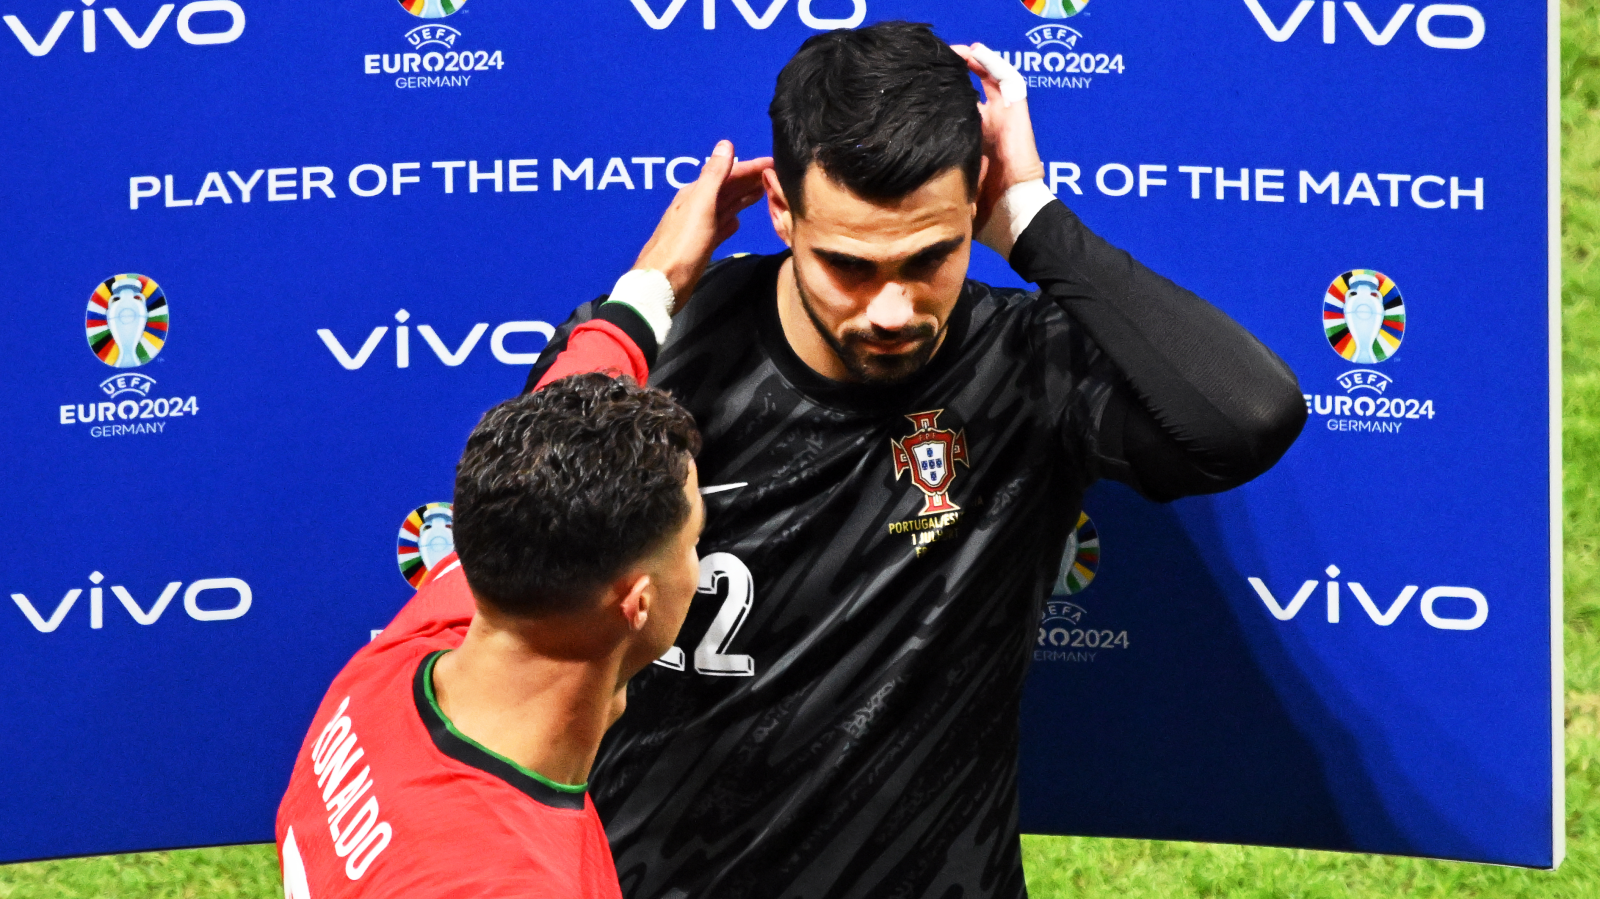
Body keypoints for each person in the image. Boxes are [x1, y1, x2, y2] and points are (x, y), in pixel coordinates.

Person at [526, 22, 1308, 899]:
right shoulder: (660, 350)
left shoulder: (1026, 365)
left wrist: (1033, 221)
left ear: (973, 200)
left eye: (931, 256)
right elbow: (522, 549)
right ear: (782, 209)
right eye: (850, 266)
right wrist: (653, 285)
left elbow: (1247, 416)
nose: (893, 308)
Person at [275, 373, 704, 898]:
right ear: (639, 602)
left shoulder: (397, 659)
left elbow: (549, 446)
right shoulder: (512, 882)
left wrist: (648, 296)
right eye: (694, 544)